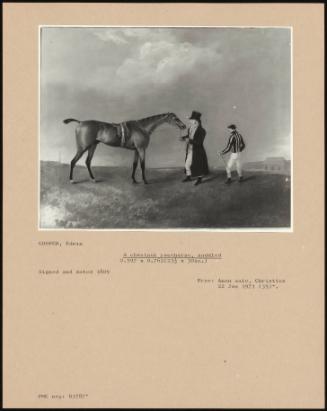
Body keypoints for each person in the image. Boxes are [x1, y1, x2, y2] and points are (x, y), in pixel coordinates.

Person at [181, 111, 209, 186]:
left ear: (196, 121)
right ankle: (188, 177)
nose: (190, 121)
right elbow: (189, 136)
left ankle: (199, 179)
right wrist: (184, 138)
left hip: (197, 151)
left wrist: (189, 140)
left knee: (198, 165)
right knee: (187, 164)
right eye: (190, 120)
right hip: (190, 150)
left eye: (192, 120)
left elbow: (199, 142)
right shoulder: (190, 128)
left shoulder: (202, 131)